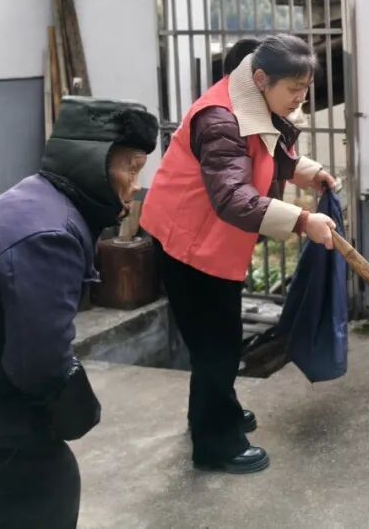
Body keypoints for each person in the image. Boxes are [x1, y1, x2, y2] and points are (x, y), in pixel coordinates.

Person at [140, 33, 337, 474]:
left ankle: (216, 410)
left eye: (306, 89)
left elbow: (266, 151)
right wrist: (302, 221)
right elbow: (232, 196)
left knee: (218, 341)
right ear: (262, 79)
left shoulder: (251, 99)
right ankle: (215, 444)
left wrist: (309, 172)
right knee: (216, 345)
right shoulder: (220, 119)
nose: (300, 99)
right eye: (294, 90)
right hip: (188, 243)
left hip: (212, 240)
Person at [0, 97, 158, 528]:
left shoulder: (39, 197)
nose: (135, 187)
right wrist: (78, 405)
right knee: (48, 489)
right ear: (94, 162)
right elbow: (39, 362)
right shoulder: (51, 235)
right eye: (131, 169)